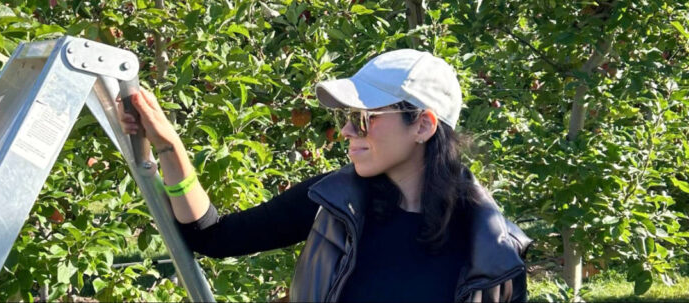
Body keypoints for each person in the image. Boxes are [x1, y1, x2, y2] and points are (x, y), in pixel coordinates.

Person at [118, 48, 532, 303]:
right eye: (346, 117)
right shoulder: (333, 202)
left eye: (364, 118)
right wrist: (170, 148)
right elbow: (213, 237)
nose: (348, 131)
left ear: (422, 126)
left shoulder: (493, 249)